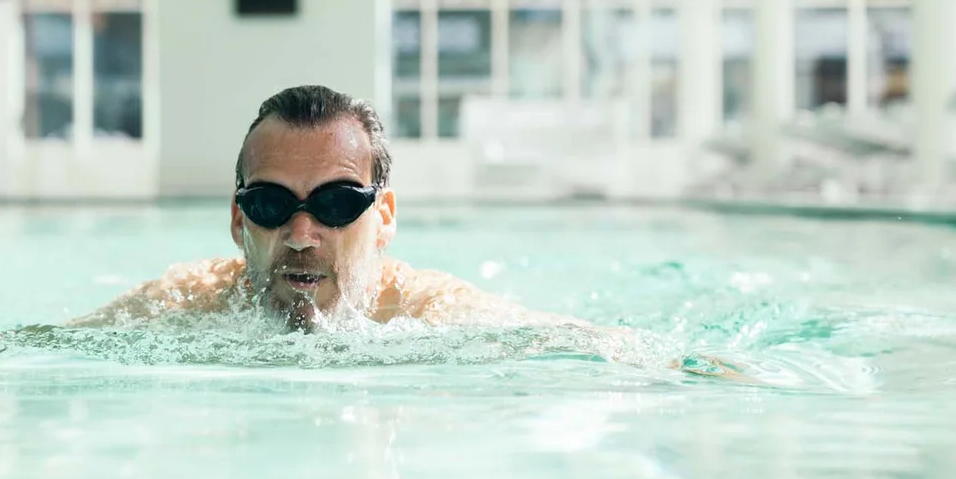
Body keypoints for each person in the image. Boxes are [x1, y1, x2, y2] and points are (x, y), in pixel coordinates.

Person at [72, 84, 613, 336]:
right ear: (239, 221)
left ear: (384, 218)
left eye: (336, 203)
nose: (302, 234)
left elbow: (578, 344)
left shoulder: (428, 312)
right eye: (270, 203)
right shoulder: (186, 301)